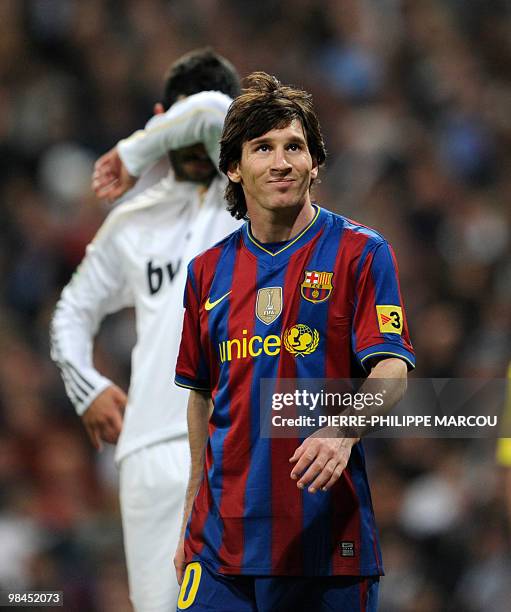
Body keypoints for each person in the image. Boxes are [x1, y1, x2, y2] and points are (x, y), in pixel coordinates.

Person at [173, 72, 415, 612]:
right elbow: (200, 396)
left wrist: (340, 431)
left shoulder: (361, 253)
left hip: (325, 549)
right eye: (263, 148)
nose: (281, 161)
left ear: (314, 162)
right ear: (234, 168)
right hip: (220, 551)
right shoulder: (205, 273)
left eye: (294, 146)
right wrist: (191, 507)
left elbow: (392, 371)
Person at [50, 48, 241, 612]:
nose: (184, 142)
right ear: (160, 115)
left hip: (233, 440)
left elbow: (211, 112)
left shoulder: (246, 202)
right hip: (146, 451)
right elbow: (72, 311)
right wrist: (85, 385)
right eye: (170, 127)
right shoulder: (131, 224)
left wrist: (135, 150)